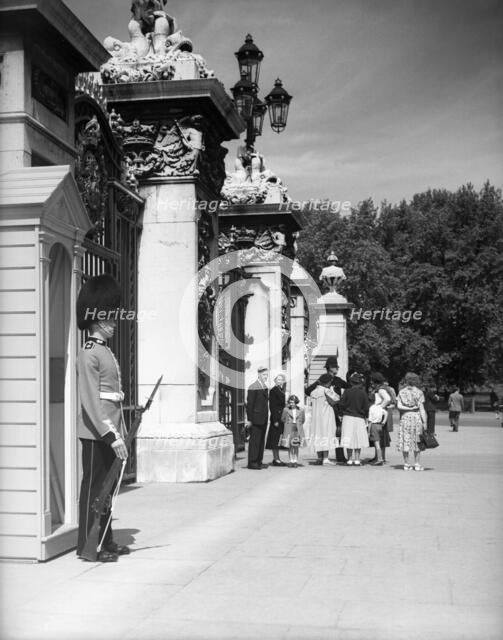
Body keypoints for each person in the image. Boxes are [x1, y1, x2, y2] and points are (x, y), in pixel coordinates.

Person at [76, 275, 130, 563]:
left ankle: (106, 539)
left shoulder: (104, 350)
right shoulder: (88, 354)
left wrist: (118, 432)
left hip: (109, 429)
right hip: (95, 432)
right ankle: (89, 545)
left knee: (107, 489)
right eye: (109, 317)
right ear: (97, 318)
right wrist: (111, 435)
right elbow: (91, 400)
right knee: (95, 489)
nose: (114, 323)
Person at [306, 356, 348, 463]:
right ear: (330, 368)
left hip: (336, 409)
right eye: (335, 367)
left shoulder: (338, 380)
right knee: (324, 432)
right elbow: (308, 390)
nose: (337, 369)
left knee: (337, 432)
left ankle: (340, 456)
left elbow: (349, 387)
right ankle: (323, 457)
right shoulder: (322, 379)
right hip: (325, 410)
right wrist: (321, 387)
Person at [396, 372, 426, 471]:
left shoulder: (401, 392)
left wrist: (407, 408)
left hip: (405, 418)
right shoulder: (419, 392)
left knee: (406, 440)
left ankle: (406, 464)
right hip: (416, 418)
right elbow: (421, 409)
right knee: (417, 441)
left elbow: (399, 406)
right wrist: (424, 422)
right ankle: (417, 464)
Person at [339, 372, 369, 466]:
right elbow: (366, 407)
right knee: (358, 439)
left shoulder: (347, 392)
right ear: (359, 383)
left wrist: (340, 414)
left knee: (348, 438)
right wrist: (366, 416)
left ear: (351, 382)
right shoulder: (363, 393)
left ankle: (349, 459)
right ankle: (357, 459)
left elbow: (342, 404)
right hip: (359, 417)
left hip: (348, 417)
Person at [309, 373, 338, 465]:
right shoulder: (326, 391)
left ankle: (319, 457)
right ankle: (325, 458)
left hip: (316, 418)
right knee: (326, 435)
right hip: (326, 416)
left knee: (317, 435)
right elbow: (335, 400)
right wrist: (332, 390)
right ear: (328, 382)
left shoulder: (313, 392)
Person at [246, 366, 270, 469]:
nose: (266, 377)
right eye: (264, 375)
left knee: (261, 441)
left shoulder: (264, 386)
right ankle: (252, 462)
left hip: (263, 418)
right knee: (255, 441)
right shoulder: (253, 386)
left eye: (267, 375)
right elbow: (250, 404)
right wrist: (250, 419)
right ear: (259, 374)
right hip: (255, 418)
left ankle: (259, 461)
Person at [367, 372, 392, 463]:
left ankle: (382, 457)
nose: (371, 382)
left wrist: (379, 407)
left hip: (379, 415)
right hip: (380, 414)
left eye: (372, 381)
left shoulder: (381, 390)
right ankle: (378, 456)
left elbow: (388, 399)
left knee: (381, 437)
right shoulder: (377, 389)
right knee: (379, 436)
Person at [266, 371, 287, 467]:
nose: (280, 381)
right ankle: (276, 459)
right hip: (277, 418)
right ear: (275, 380)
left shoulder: (281, 390)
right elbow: (272, 406)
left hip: (281, 417)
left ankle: (277, 458)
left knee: (278, 439)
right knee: (275, 439)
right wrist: (275, 420)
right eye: (278, 379)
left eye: (282, 379)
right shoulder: (273, 390)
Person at [281, 395, 306, 468]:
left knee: (296, 446)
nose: (291, 404)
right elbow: (282, 419)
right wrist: (287, 424)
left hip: (297, 428)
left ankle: (295, 461)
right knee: (290, 446)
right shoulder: (286, 410)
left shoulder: (301, 410)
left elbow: (303, 420)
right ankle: (291, 460)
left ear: (296, 403)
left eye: (293, 402)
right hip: (289, 428)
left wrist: (299, 424)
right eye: (290, 402)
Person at [367, 397, 388, 466]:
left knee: (377, 443)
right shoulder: (380, 407)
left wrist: (369, 431)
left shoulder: (371, 408)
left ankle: (379, 459)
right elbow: (386, 413)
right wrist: (384, 421)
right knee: (380, 442)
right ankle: (381, 458)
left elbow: (370, 421)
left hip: (374, 425)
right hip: (380, 425)